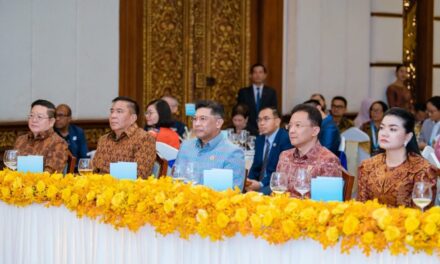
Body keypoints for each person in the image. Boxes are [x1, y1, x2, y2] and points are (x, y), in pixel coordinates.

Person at [357, 108, 437, 207]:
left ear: (408, 137)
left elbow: (422, 215)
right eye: (382, 128)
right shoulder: (367, 166)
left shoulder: (422, 170)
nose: (384, 133)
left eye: (393, 129)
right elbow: (361, 207)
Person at [174, 100, 245, 189]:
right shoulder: (186, 146)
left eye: (203, 119)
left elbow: (231, 195)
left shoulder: (232, 153)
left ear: (218, 123)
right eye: (195, 119)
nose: (197, 124)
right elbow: (175, 180)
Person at [276, 104, 342, 198]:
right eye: (290, 126)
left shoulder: (328, 161)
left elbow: (328, 205)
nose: (291, 131)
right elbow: (277, 194)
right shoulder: (285, 156)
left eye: (298, 125)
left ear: (315, 131)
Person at [92, 96, 156, 179]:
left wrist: (106, 172)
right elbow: (94, 170)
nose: (113, 116)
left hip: (127, 190)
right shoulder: (103, 139)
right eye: (112, 111)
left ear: (133, 118)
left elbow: (141, 174)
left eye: (119, 111)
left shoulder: (144, 138)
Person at [245, 107, 292, 195]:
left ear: (277, 121)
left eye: (266, 119)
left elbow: (280, 171)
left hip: (275, 184)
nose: (261, 123)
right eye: (259, 120)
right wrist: (249, 182)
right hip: (259, 183)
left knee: (259, 195)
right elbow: (256, 166)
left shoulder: (285, 139)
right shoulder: (260, 140)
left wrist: (260, 184)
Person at [14, 99, 68, 173]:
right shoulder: (21, 140)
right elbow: (12, 167)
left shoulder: (58, 143)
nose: (34, 120)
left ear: (51, 122)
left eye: (39, 117)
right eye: (31, 115)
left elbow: (50, 173)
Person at [237, 63, 277, 133]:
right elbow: (241, 112)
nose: (258, 75)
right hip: (247, 129)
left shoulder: (271, 92)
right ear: (250, 75)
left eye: (260, 72)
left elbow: (274, 111)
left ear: (265, 75)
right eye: (255, 72)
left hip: (266, 128)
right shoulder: (243, 92)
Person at [54, 104, 88, 169]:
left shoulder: (78, 132)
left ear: (69, 118)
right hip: (56, 171)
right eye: (55, 115)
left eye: (61, 115)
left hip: (76, 170)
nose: (57, 118)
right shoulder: (52, 132)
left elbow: (84, 157)